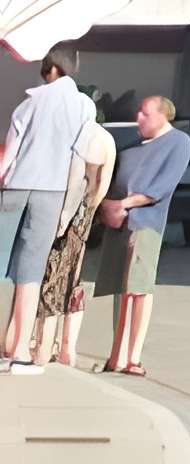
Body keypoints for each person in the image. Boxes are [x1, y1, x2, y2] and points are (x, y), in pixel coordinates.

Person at [0, 57, 97, 373]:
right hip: (52, 191)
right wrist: (68, 210)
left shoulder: (29, 103)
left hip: (16, 186)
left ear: (51, 69)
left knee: (1, 264)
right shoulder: (84, 106)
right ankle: (19, 352)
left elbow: (10, 153)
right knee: (30, 273)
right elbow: (80, 159)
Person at [97, 97, 185, 376]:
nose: (139, 118)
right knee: (121, 289)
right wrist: (106, 207)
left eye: (145, 114)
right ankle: (116, 356)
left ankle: (132, 357)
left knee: (138, 288)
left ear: (163, 115)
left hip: (144, 224)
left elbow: (160, 188)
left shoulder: (178, 142)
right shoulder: (133, 147)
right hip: (119, 224)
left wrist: (123, 204)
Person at [34, 108, 111, 365]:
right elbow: (101, 186)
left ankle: (44, 347)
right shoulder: (107, 139)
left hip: (68, 219)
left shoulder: (83, 137)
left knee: (52, 282)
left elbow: (75, 182)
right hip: (85, 220)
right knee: (74, 282)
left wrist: (63, 219)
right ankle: (68, 348)